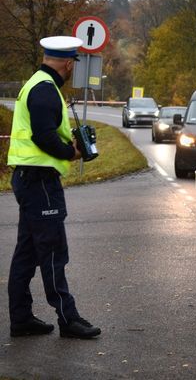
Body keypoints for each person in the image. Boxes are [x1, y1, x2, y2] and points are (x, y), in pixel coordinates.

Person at [7, 36, 101, 339]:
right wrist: (71, 152)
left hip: (29, 178)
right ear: (68, 63)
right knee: (52, 252)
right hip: (40, 182)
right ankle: (68, 319)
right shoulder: (46, 90)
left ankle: (21, 319)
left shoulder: (36, 83)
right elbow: (43, 136)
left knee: (27, 252)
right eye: (73, 63)